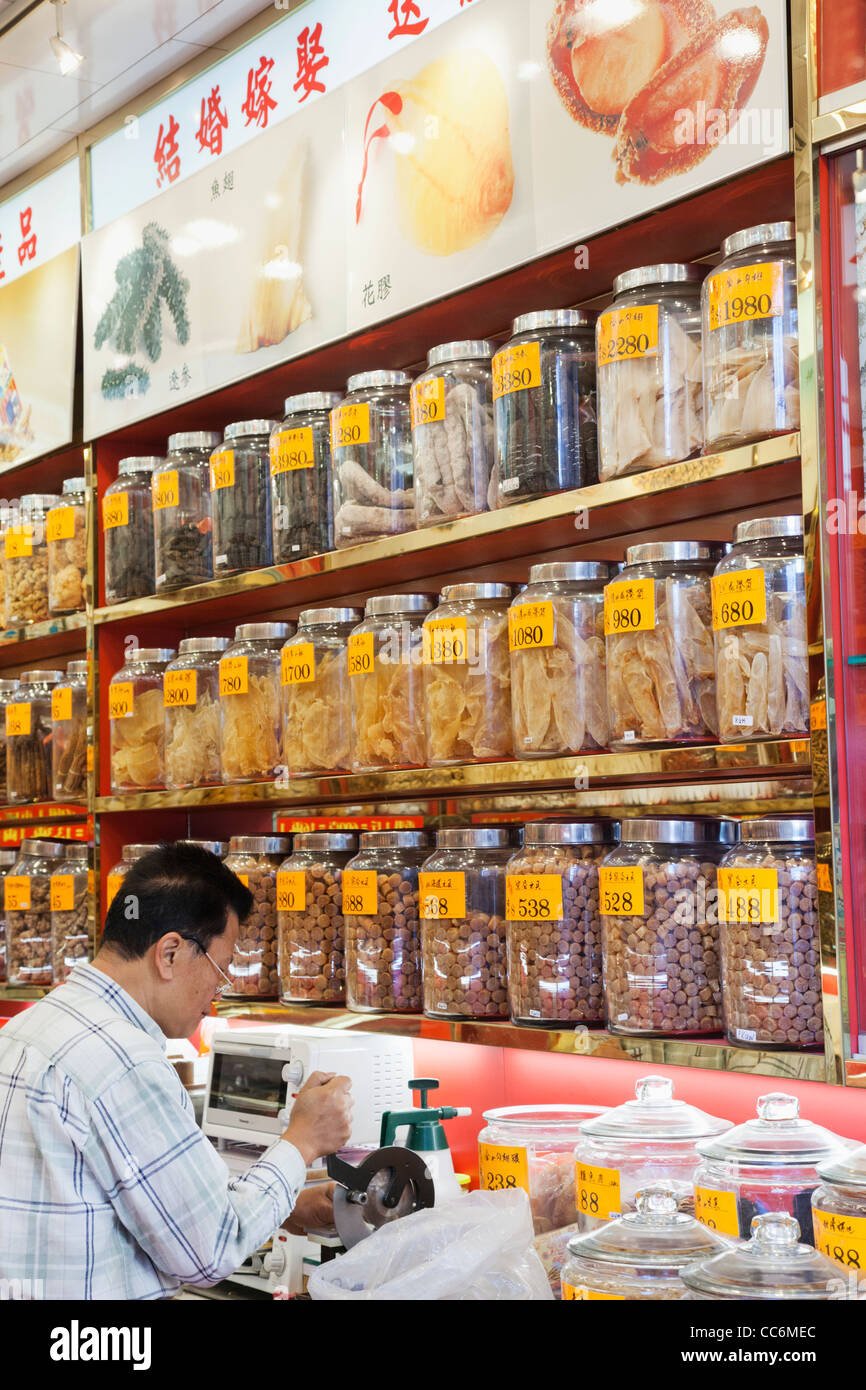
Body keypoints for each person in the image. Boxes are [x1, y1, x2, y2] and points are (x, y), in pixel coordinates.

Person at [0, 841, 353, 1300]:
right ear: (169, 954)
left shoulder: (31, 1026)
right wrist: (302, 1140)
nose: (217, 995)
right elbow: (209, 1251)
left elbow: (139, 1190)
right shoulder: (123, 1062)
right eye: (220, 971)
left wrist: (283, 1206)